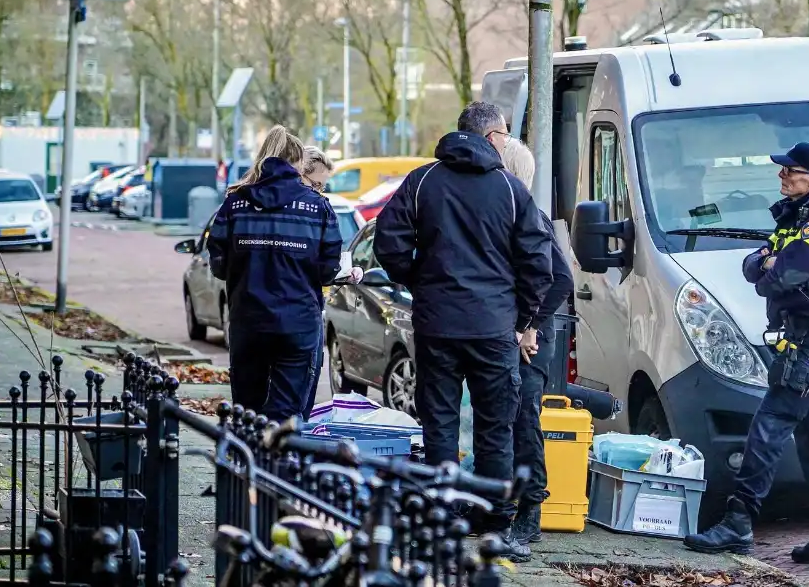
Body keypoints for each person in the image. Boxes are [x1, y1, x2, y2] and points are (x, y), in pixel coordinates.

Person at [373, 101, 554, 538]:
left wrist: (420, 281)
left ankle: (443, 510)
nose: (507, 142)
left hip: (437, 325)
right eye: (505, 134)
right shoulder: (509, 189)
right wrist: (522, 316)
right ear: (491, 137)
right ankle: (494, 517)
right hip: (494, 328)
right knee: (496, 426)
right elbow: (538, 263)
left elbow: (388, 243)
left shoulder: (422, 181)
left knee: (439, 422)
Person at [683, 142, 809, 564]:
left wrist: (771, 266)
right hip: (804, 334)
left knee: (771, 422)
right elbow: (754, 265)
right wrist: (768, 264)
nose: (781, 176)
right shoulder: (798, 214)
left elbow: (783, 275)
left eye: (789, 171)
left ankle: (738, 521)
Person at [207, 126, 346, 423]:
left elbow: (218, 264)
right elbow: (327, 270)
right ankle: (276, 449)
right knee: (287, 415)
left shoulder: (235, 203)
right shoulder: (317, 207)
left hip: (248, 320)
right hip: (297, 324)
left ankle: (248, 451)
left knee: (247, 410)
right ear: (298, 163)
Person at [498, 138, 575, 562]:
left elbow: (561, 279)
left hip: (530, 341)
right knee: (511, 421)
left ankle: (531, 510)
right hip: (516, 335)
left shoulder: (531, 217)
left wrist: (529, 326)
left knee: (524, 421)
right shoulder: (513, 213)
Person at [299, 144, 362, 419]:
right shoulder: (316, 211)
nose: (319, 193)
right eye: (316, 185)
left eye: (323, 187)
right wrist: (335, 272)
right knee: (300, 395)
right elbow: (324, 267)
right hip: (302, 315)